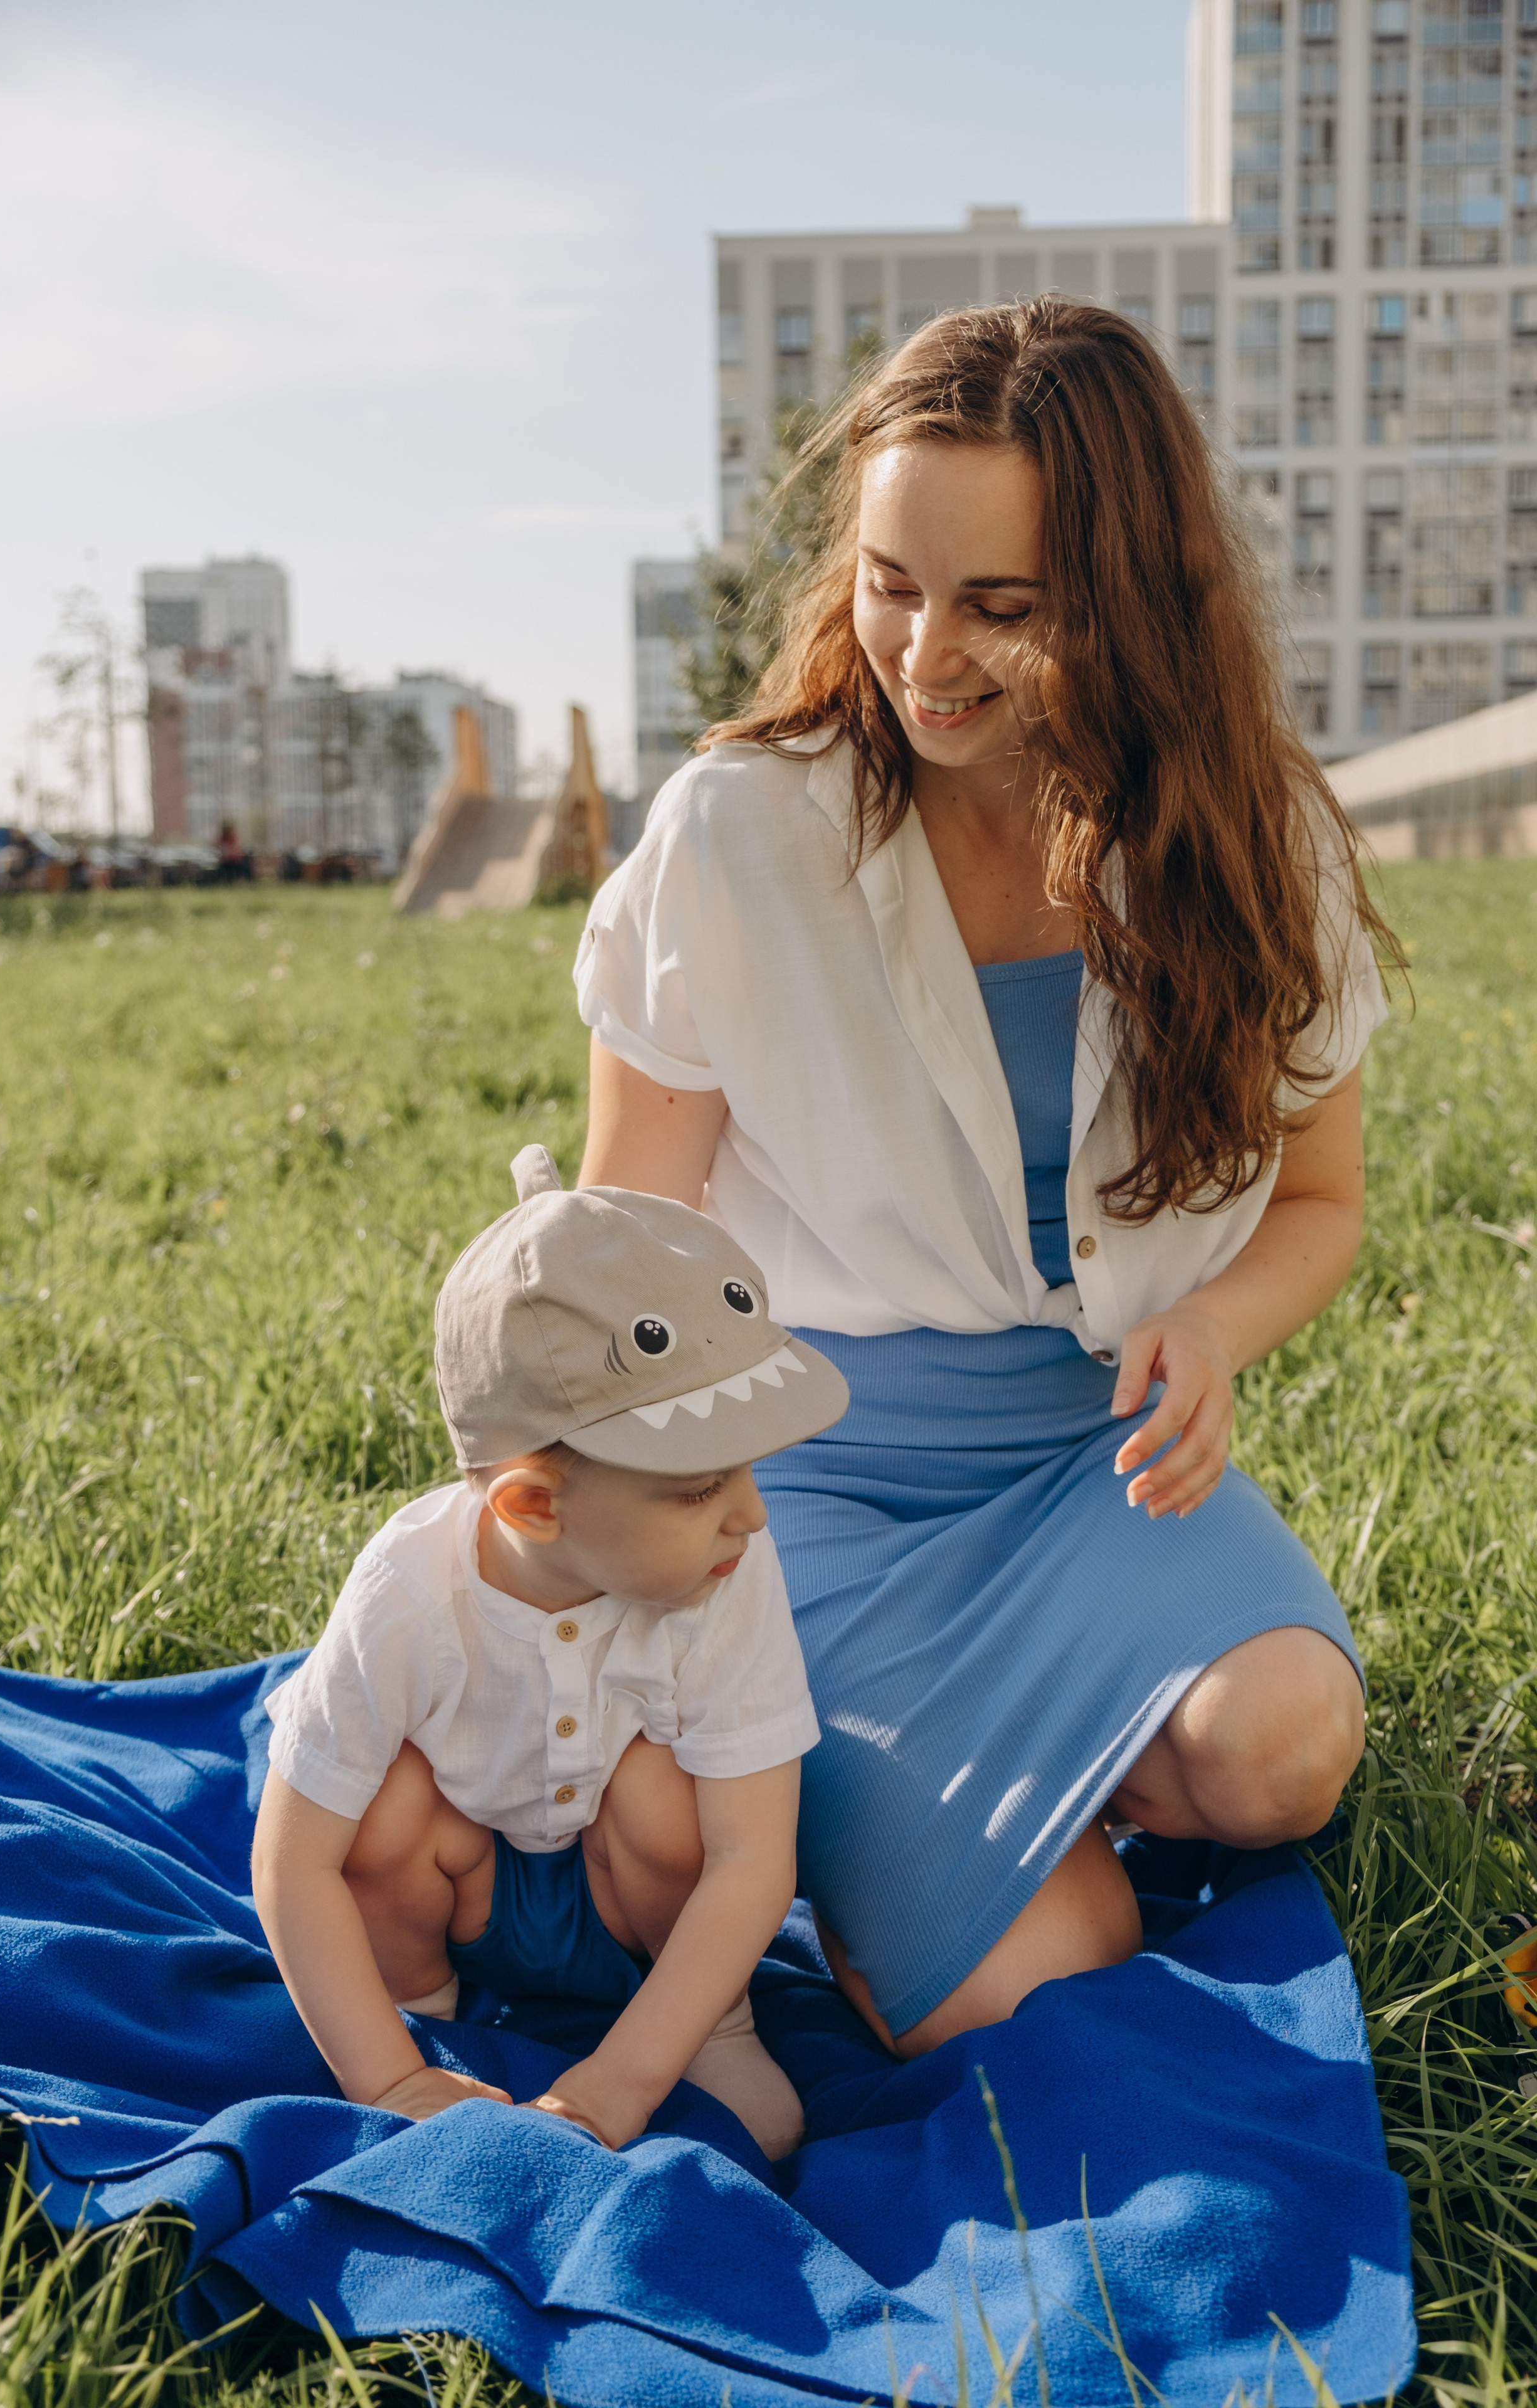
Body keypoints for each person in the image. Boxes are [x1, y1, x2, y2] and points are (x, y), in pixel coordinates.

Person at [574, 299, 1397, 2061]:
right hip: (802, 1490)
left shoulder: (1257, 848)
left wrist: (1217, 1324)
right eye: (890, 582)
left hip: (1093, 1465)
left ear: (1129, 594)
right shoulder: (736, 835)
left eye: (1001, 609)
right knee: (1061, 1977)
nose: (923, 652)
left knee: (1282, 1755)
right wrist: (578, 1582)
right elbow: (619, 1263)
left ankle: (931, 1815)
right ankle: (925, 1826)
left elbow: (1323, 1201)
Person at [251, 1145, 848, 2155]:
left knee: (670, 1794)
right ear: (534, 1504)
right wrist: (384, 2075)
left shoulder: (726, 1566)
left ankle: (710, 2025)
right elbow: (293, 1861)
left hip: (631, 1902)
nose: (749, 1513)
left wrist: (624, 2082)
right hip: (467, 1882)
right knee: (381, 1810)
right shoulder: (409, 1592)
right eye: (700, 1489)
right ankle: (433, 2018)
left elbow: (752, 1856)